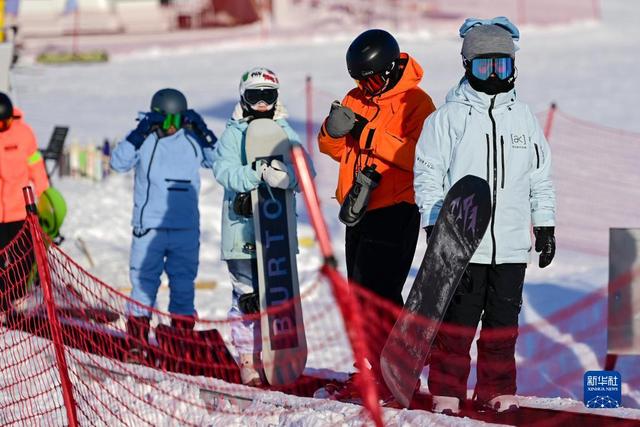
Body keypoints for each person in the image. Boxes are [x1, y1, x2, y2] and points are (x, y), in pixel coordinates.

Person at [413, 17, 556, 414]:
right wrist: (434, 221)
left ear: (513, 66)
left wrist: (544, 224)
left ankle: (496, 390)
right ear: (467, 66)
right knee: (457, 324)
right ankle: (447, 391)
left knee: (502, 324)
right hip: (464, 244)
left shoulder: (523, 118)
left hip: (511, 245)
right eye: (483, 66)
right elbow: (428, 174)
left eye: (501, 65)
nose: (493, 75)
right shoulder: (448, 118)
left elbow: (540, 176)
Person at [317, 29, 436, 395]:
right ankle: (377, 367)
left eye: (369, 80)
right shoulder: (355, 98)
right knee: (360, 294)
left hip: (396, 209)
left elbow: (419, 156)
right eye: (358, 81)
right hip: (358, 209)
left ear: (389, 69)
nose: (364, 89)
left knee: (379, 294)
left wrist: (366, 133)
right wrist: (331, 131)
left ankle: (395, 368)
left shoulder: (416, 103)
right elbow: (334, 149)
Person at [212, 67, 314, 385]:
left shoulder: (284, 131)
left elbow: (307, 171)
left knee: (278, 295)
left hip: (276, 234)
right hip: (241, 233)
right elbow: (224, 170)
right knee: (248, 297)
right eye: (254, 96)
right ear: (243, 97)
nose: (260, 104)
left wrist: (288, 177)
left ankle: (279, 355)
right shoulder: (234, 133)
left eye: (267, 96)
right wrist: (256, 172)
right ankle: (249, 359)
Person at [110, 88, 217, 356]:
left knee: (183, 287)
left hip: (185, 228)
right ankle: (137, 342)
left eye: (177, 120)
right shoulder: (145, 139)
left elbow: (219, 163)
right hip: (149, 227)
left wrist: (204, 132)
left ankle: (181, 342)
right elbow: (118, 162)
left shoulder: (192, 139)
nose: (171, 127)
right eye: (166, 120)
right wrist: (139, 132)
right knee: (143, 284)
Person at [0, 92, 50, 311]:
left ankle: (17, 296)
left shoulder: (24, 134)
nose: (2, 127)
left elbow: (36, 166)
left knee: (23, 257)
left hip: (19, 210)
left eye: (5, 123)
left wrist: (44, 194)